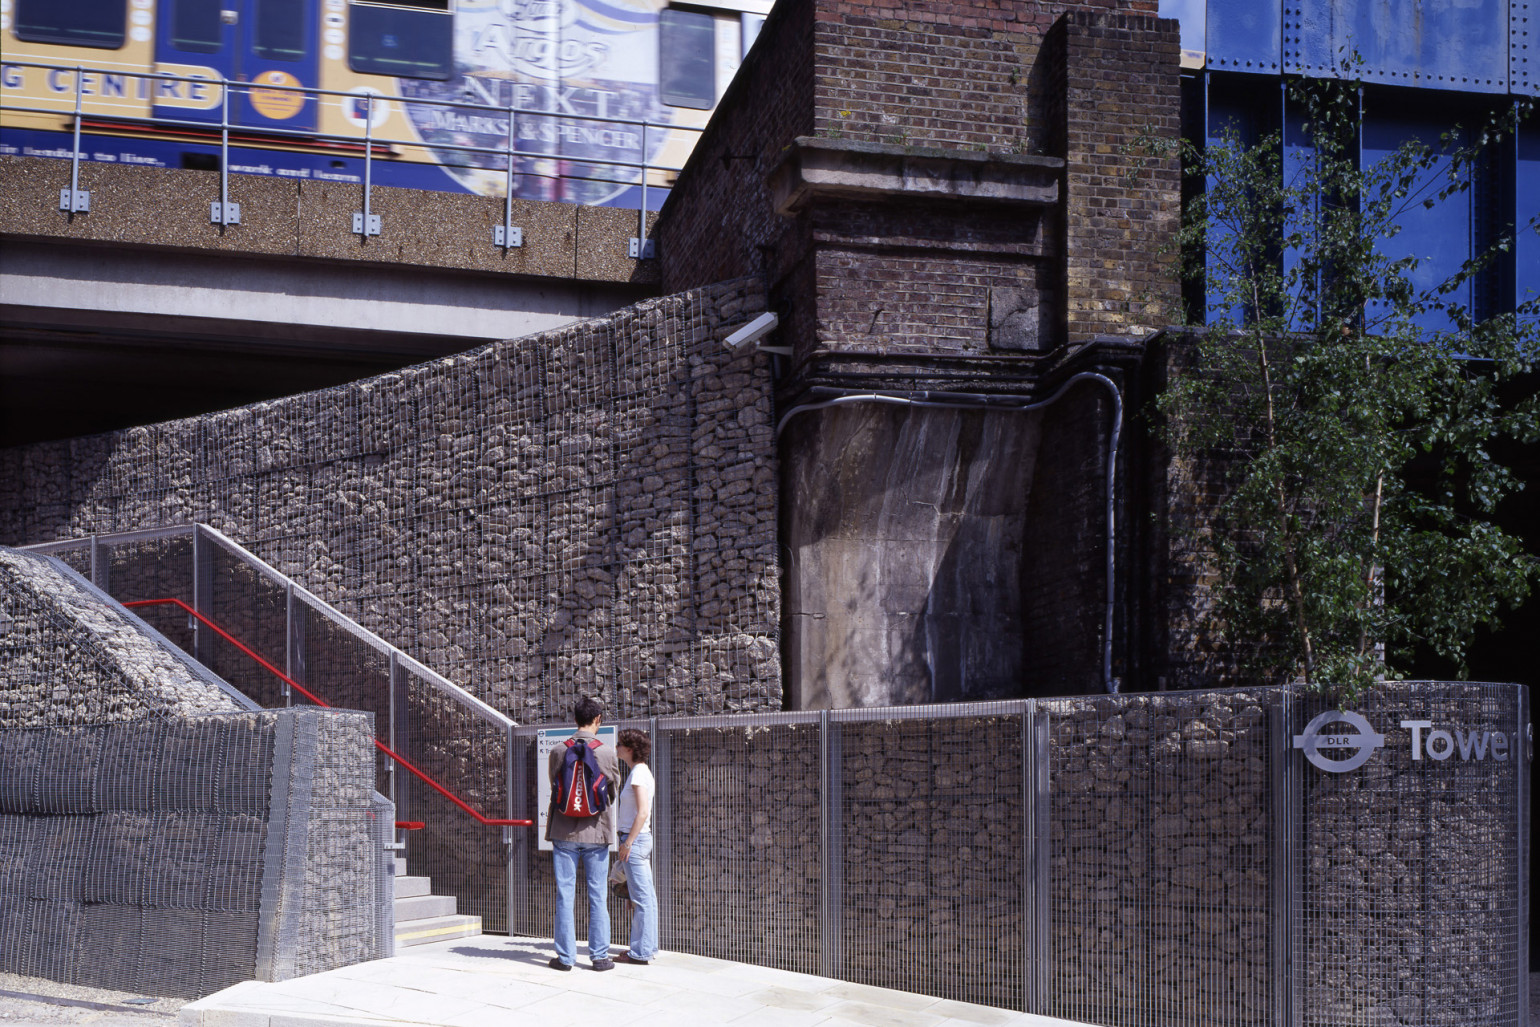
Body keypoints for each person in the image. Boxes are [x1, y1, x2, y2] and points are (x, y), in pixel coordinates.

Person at [546, 696, 620, 972]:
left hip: (564, 831)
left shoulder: (557, 750)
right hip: (596, 832)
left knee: (565, 894)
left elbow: (555, 786)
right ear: (598, 719)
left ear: (575, 719)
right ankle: (599, 957)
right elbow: (612, 792)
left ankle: (565, 959)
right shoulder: (606, 752)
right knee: (597, 895)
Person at [614, 728, 658, 965]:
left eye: (620, 744)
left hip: (635, 840)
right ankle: (648, 947)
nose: (617, 747)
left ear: (630, 749)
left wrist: (627, 842)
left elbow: (642, 812)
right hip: (640, 839)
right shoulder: (641, 772)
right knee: (646, 897)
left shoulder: (639, 774)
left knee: (641, 899)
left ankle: (640, 952)